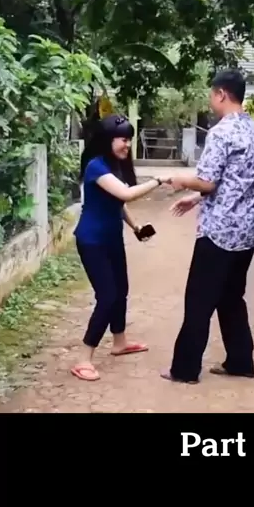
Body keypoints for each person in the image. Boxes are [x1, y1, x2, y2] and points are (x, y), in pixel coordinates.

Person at [162, 69, 254, 384]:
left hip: (220, 232)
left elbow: (208, 180)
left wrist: (182, 181)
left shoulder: (221, 132)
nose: (211, 100)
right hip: (247, 230)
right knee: (231, 296)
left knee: (199, 300)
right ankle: (240, 360)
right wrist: (196, 199)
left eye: (212, 94)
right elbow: (237, 182)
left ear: (221, 94)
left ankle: (184, 370)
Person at [72, 114, 168, 382]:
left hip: (111, 238)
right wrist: (159, 180)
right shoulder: (96, 166)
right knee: (107, 296)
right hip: (92, 240)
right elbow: (126, 194)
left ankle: (119, 342)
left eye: (129, 139)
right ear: (107, 140)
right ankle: (83, 359)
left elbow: (118, 202)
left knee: (121, 290)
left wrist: (136, 227)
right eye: (122, 139)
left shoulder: (114, 165)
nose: (127, 145)